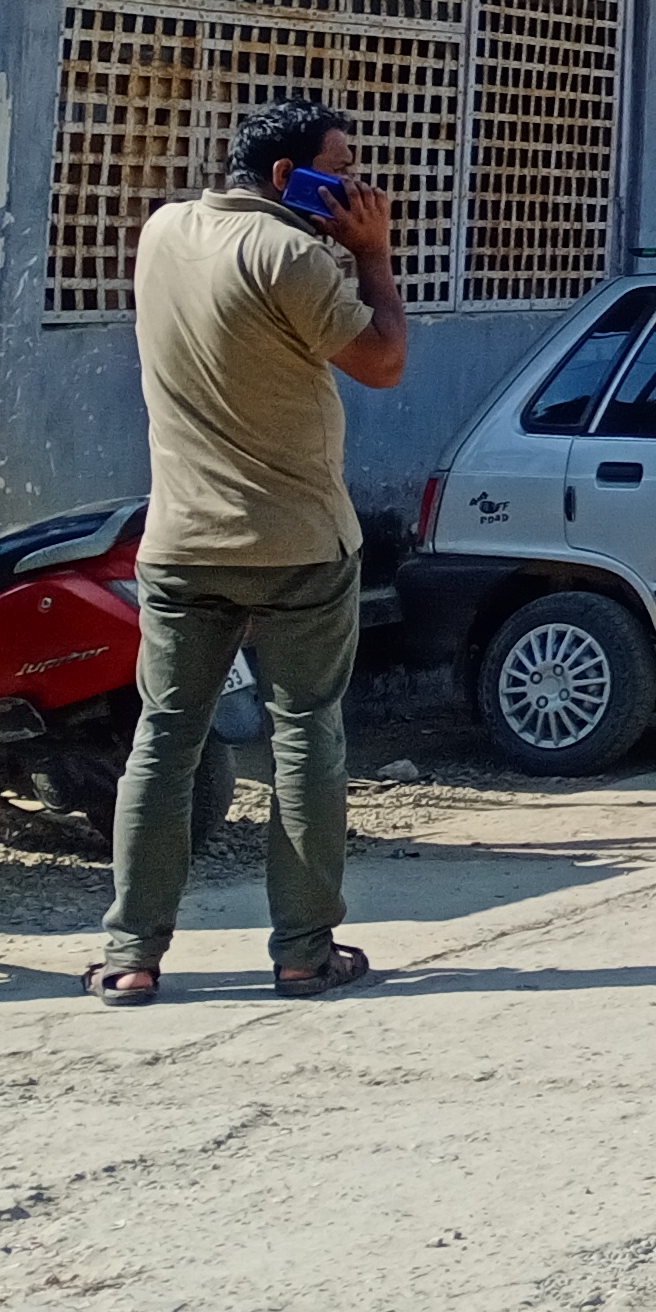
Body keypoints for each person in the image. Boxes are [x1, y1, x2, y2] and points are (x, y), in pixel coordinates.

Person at [91, 100, 405, 1004]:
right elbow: (383, 361)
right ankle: (304, 951)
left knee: (164, 740)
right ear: (285, 178)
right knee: (307, 738)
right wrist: (375, 255)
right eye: (339, 170)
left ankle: (131, 956)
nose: (353, 188)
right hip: (300, 543)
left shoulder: (162, 233)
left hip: (182, 542)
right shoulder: (295, 257)